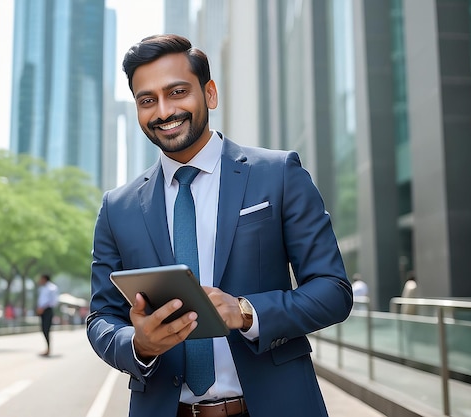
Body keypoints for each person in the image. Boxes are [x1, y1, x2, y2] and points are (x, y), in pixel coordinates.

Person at [86, 34, 352, 417]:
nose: (163, 111)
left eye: (177, 92)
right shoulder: (117, 207)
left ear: (209, 94)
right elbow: (101, 318)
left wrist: (245, 311)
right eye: (147, 100)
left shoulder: (278, 175)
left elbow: (333, 291)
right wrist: (138, 343)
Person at [36, 274, 58, 356]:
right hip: (42, 310)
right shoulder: (42, 289)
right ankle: (47, 348)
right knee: (43, 329)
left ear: (44, 279)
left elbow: (52, 301)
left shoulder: (52, 288)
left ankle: (48, 348)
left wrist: (43, 308)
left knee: (46, 329)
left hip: (47, 310)